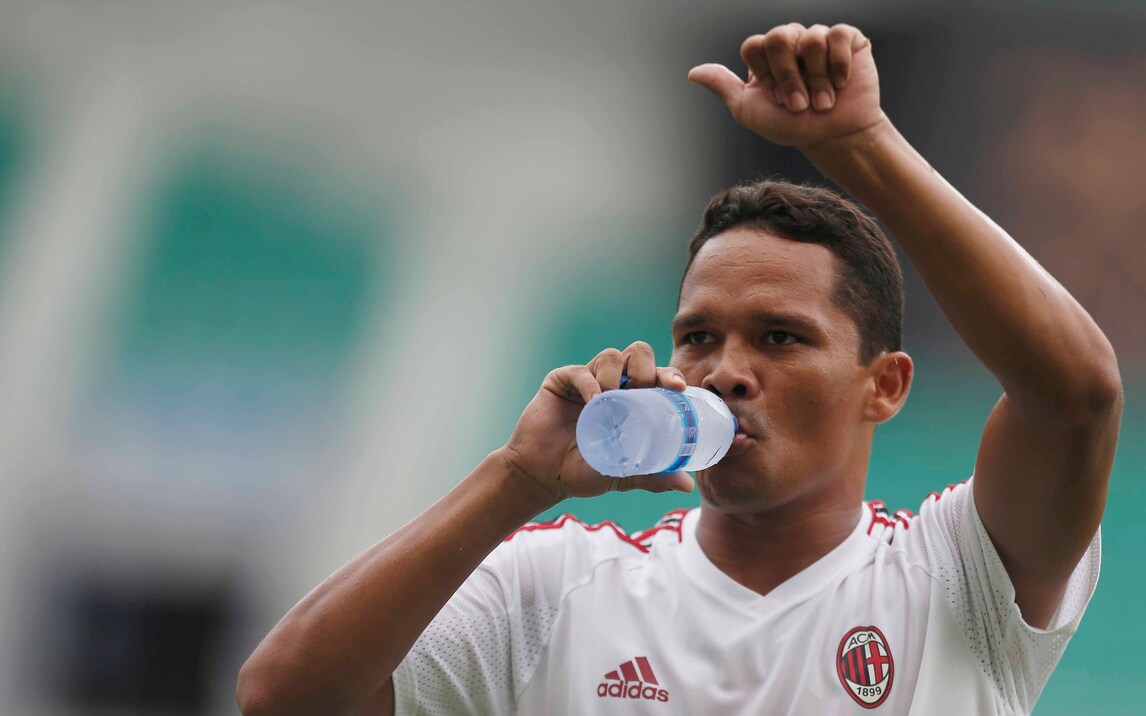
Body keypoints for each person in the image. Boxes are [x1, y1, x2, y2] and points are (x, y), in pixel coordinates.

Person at [236, 22, 1122, 715]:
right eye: (698, 337)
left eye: (781, 338)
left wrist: (862, 145)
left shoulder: (957, 577)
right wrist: (515, 480)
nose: (726, 371)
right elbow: (282, 698)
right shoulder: (553, 588)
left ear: (883, 385)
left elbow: (1075, 394)